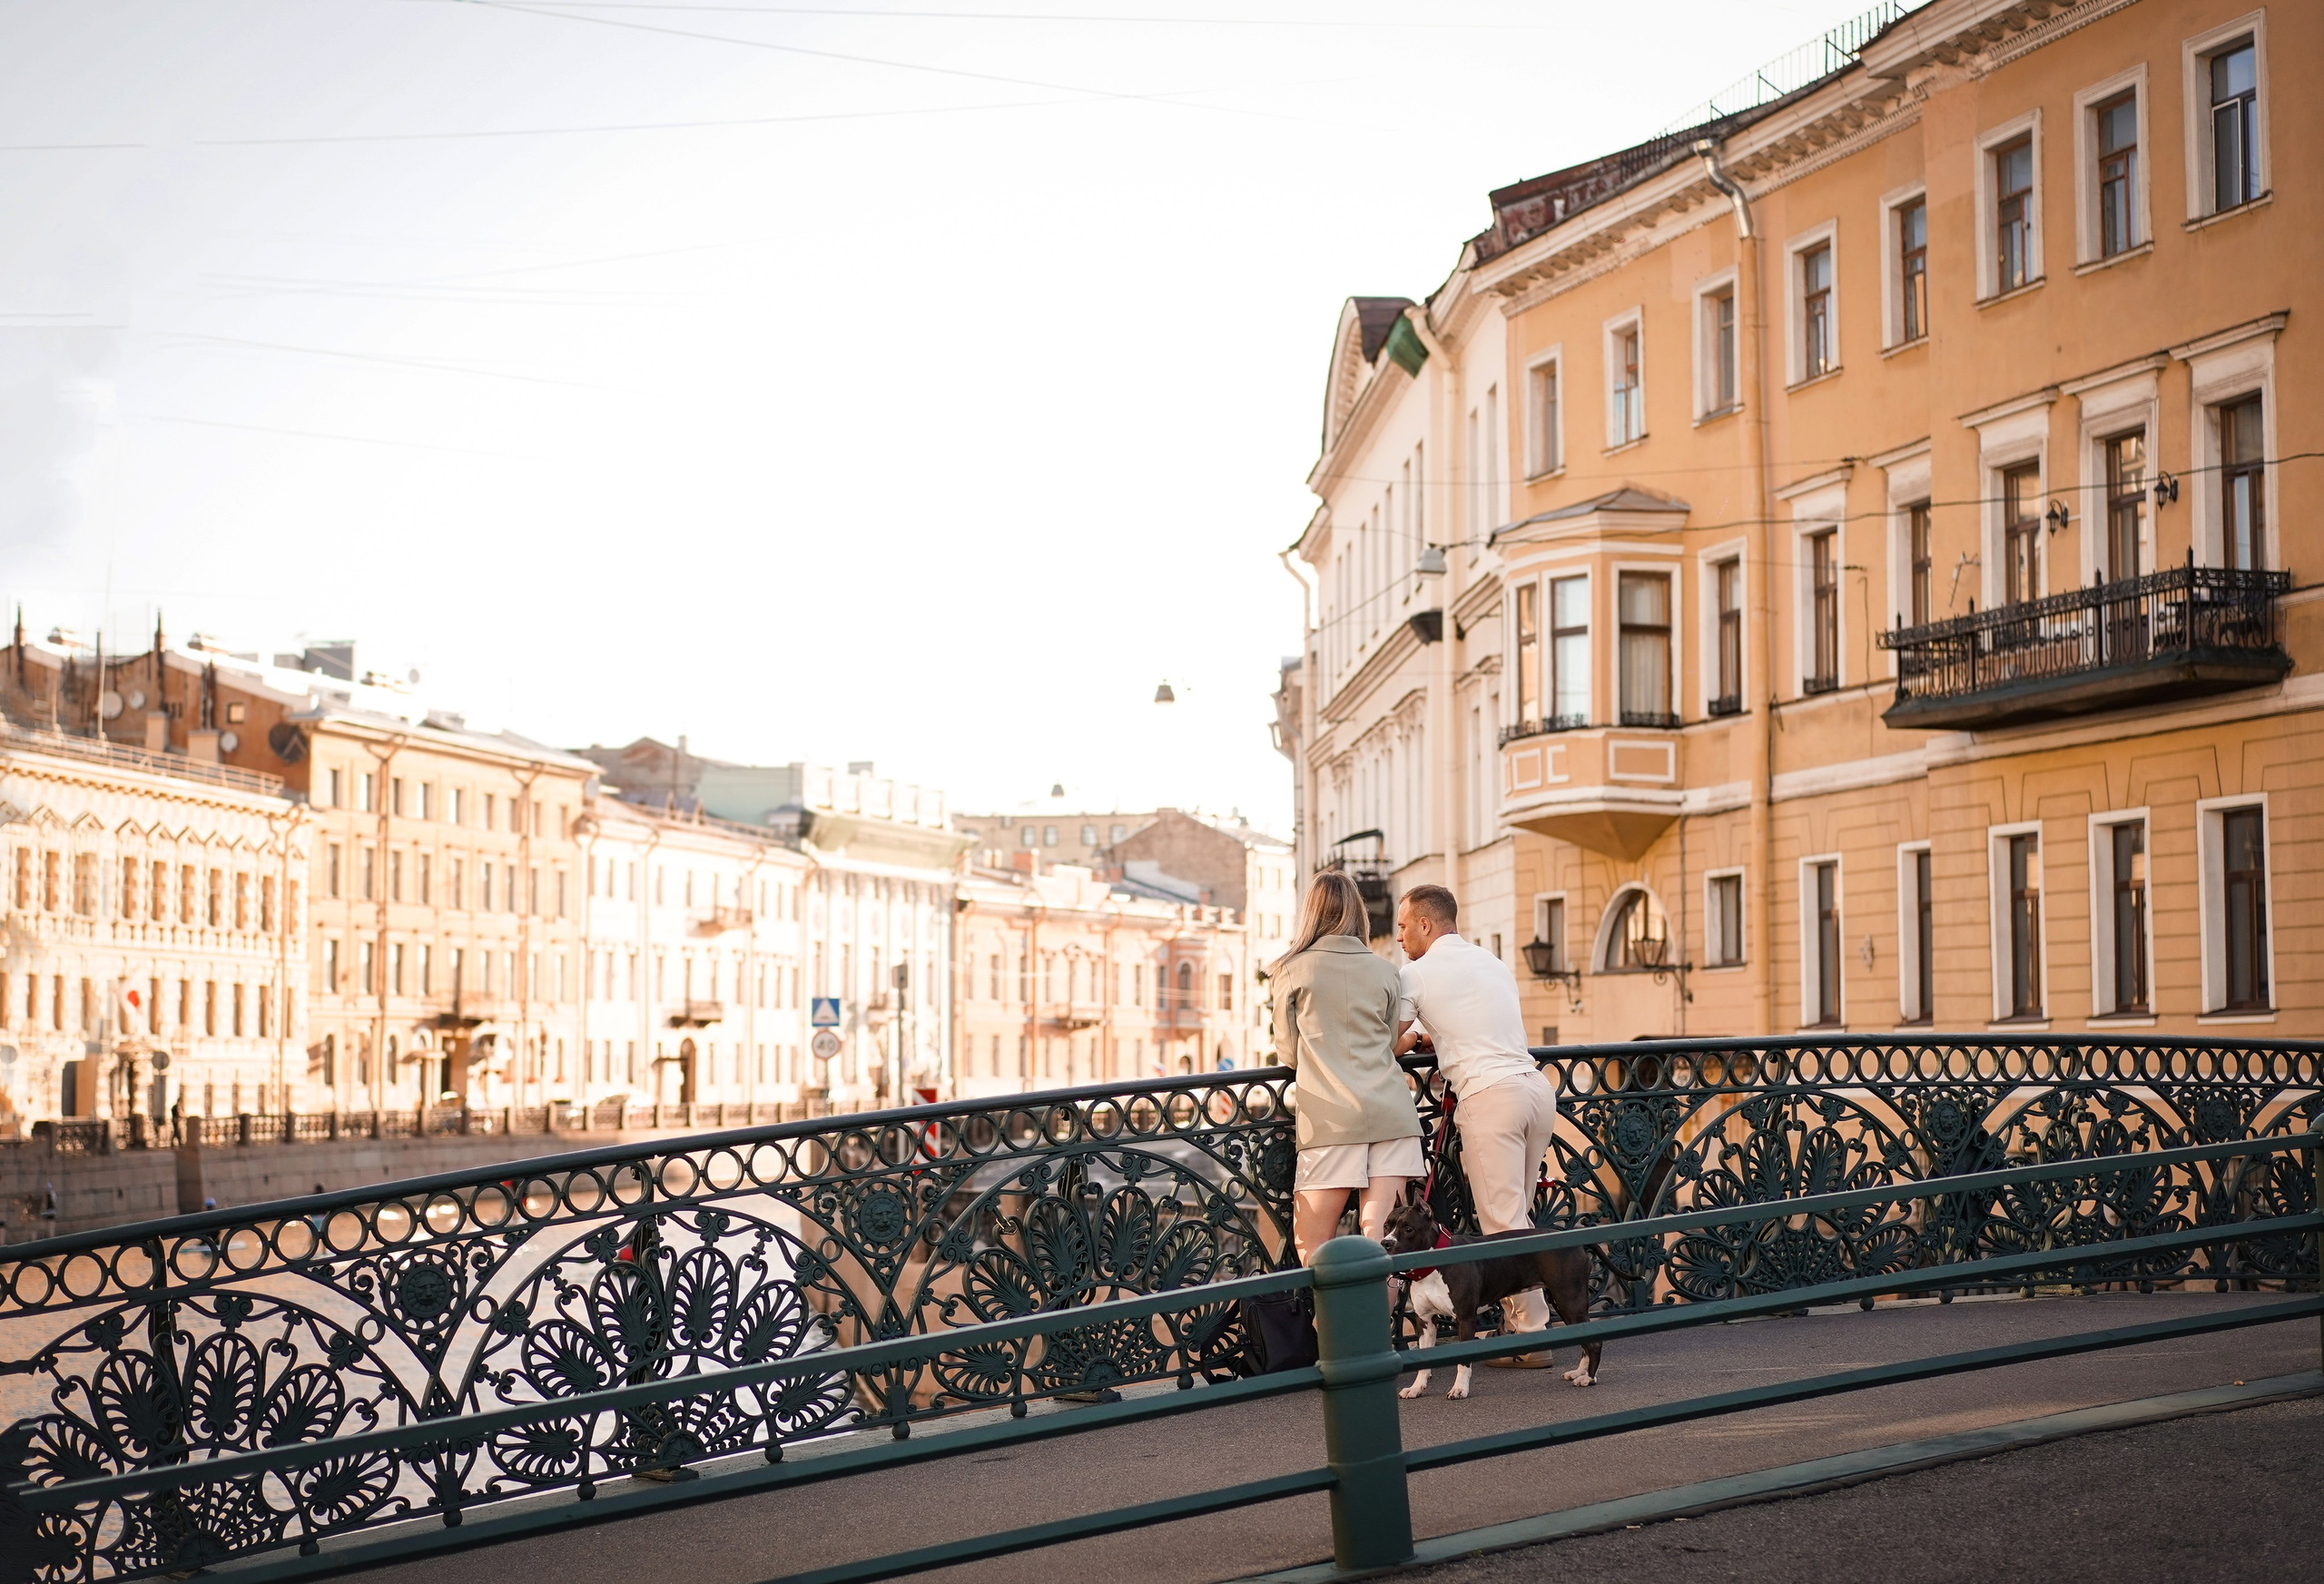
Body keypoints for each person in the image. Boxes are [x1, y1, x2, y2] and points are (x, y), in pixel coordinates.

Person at [1393, 883, 1561, 1364]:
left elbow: (1387, 1043)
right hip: (1534, 1089)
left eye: (1404, 927)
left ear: (1425, 924)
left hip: (1491, 1098)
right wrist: (1438, 1032)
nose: (1400, 937)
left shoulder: (1416, 973)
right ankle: (1518, 1329)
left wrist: (1422, 1037)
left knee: (1504, 1224)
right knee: (1521, 1219)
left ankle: (1532, 1343)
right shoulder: (1492, 961)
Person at [1269, 870, 1426, 1264]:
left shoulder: (1291, 970)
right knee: (1385, 1248)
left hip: (1331, 1122)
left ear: (1310, 915)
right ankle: (1374, 1327)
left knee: (1315, 1251)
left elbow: (1288, 1054)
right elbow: (1389, 1043)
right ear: (1359, 914)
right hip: (1393, 1114)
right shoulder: (1387, 970)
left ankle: (1334, 1328)